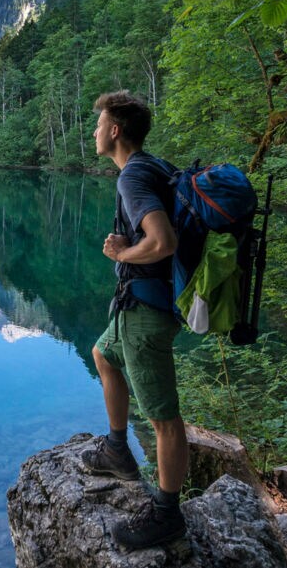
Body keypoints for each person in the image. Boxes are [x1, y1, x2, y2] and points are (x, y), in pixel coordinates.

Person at [81, 90, 187, 549]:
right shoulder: (151, 167)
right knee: (103, 354)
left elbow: (162, 242)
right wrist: (127, 249)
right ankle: (118, 451)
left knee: (163, 418)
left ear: (116, 130)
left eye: (99, 123)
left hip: (147, 311)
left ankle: (167, 514)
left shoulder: (133, 178)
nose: (94, 131)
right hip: (137, 306)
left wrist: (125, 251)